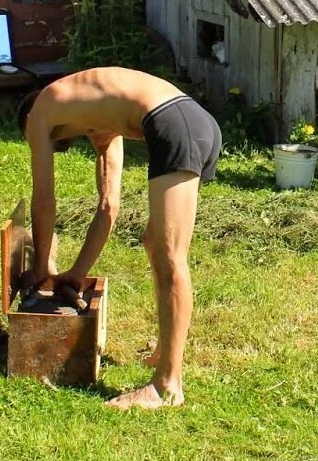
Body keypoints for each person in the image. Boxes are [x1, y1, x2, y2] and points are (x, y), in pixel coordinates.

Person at [17, 67, 221, 409]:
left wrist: (40, 269)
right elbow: (109, 206)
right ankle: (164, 353)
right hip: (192, 121)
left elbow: (44, 200)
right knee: (156, 244)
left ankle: (167, 387)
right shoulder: (99, 114)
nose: (44, 147)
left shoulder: (41, 108)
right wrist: (77, 273)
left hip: (173, 122)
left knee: (172, 258)